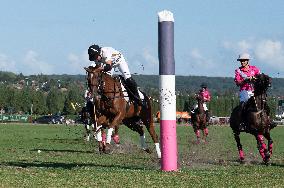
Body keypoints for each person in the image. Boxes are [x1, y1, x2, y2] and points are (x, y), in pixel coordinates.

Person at [234, 53, 260, 130]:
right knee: (242, 105)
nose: (242, 62)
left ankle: (269, 120)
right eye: (241, 61)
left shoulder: (254, 69)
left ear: (247, 61)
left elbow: (260, 77)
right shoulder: (238, 71)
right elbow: (238, 83)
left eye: (243, 60)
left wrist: (255, 78)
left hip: (255, 90)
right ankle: (241, 122)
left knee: (263, 102)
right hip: (244, 91)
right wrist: (245, 80)